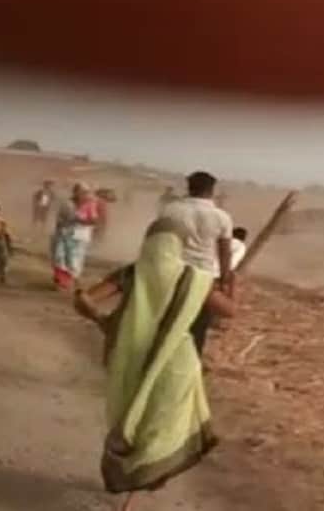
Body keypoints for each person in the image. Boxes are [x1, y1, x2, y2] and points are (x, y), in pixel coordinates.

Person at [73, 218, 235, 511]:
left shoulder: (131, 273)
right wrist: (227, 285)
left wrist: (104, 322)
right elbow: (229, 311)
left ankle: (130, 479)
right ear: (181, 246)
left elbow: (83, 300)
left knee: (131, 421)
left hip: (130, 359)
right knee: (161, 425)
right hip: (177, 362)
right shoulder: (193, 278)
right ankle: (138, 491)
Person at [159, 171, 234, 353]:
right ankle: (191, 361)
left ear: (189, 187)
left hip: (171, 272)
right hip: (203, 278)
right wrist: (224, 279)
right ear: (211, 190)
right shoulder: (221, 217)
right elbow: (225, 251)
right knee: (197, 325)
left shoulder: (171, 210)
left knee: (165, 320)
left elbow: (158, 240)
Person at [51, 183, 100, 290]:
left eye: (86, 193)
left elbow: (94, 220)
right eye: (81, 192)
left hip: (79, 237)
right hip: (63, 234)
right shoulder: (67, 204)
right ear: (75, 192)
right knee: (59, 257)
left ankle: (72, 281)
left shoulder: (90, 204)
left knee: (74, 261)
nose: (84, 195)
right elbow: (59, 220)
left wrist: (81, 221)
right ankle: (60, 282)